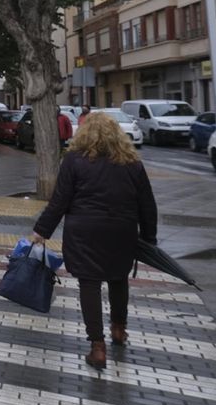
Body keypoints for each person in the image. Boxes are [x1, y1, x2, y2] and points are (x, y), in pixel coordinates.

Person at [28, 111, 158, 371]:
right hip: (122, 231)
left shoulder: (74, 160)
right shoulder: (131, 162)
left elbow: (59, 201)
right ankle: (119, 330)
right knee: (118, 278)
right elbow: (147, 204)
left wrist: (41, 231)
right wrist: (148, 238)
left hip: (84, 232)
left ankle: (97, 348)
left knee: (90, 284)